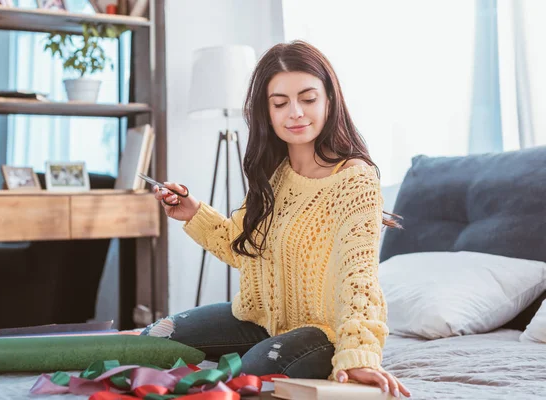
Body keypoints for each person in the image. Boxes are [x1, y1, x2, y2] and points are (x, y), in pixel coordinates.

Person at [142, 40, 410, 398]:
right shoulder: (275, 174)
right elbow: (242, 249)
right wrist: (193, 213)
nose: (295, 112)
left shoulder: (355, 179)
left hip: (323, 335)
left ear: (330, 100)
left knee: (244, 374)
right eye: (280, 103)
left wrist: (358, 353)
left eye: (308, 98)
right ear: (266, 111)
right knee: (160, 336)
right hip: (262, 319)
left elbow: (358, 278)